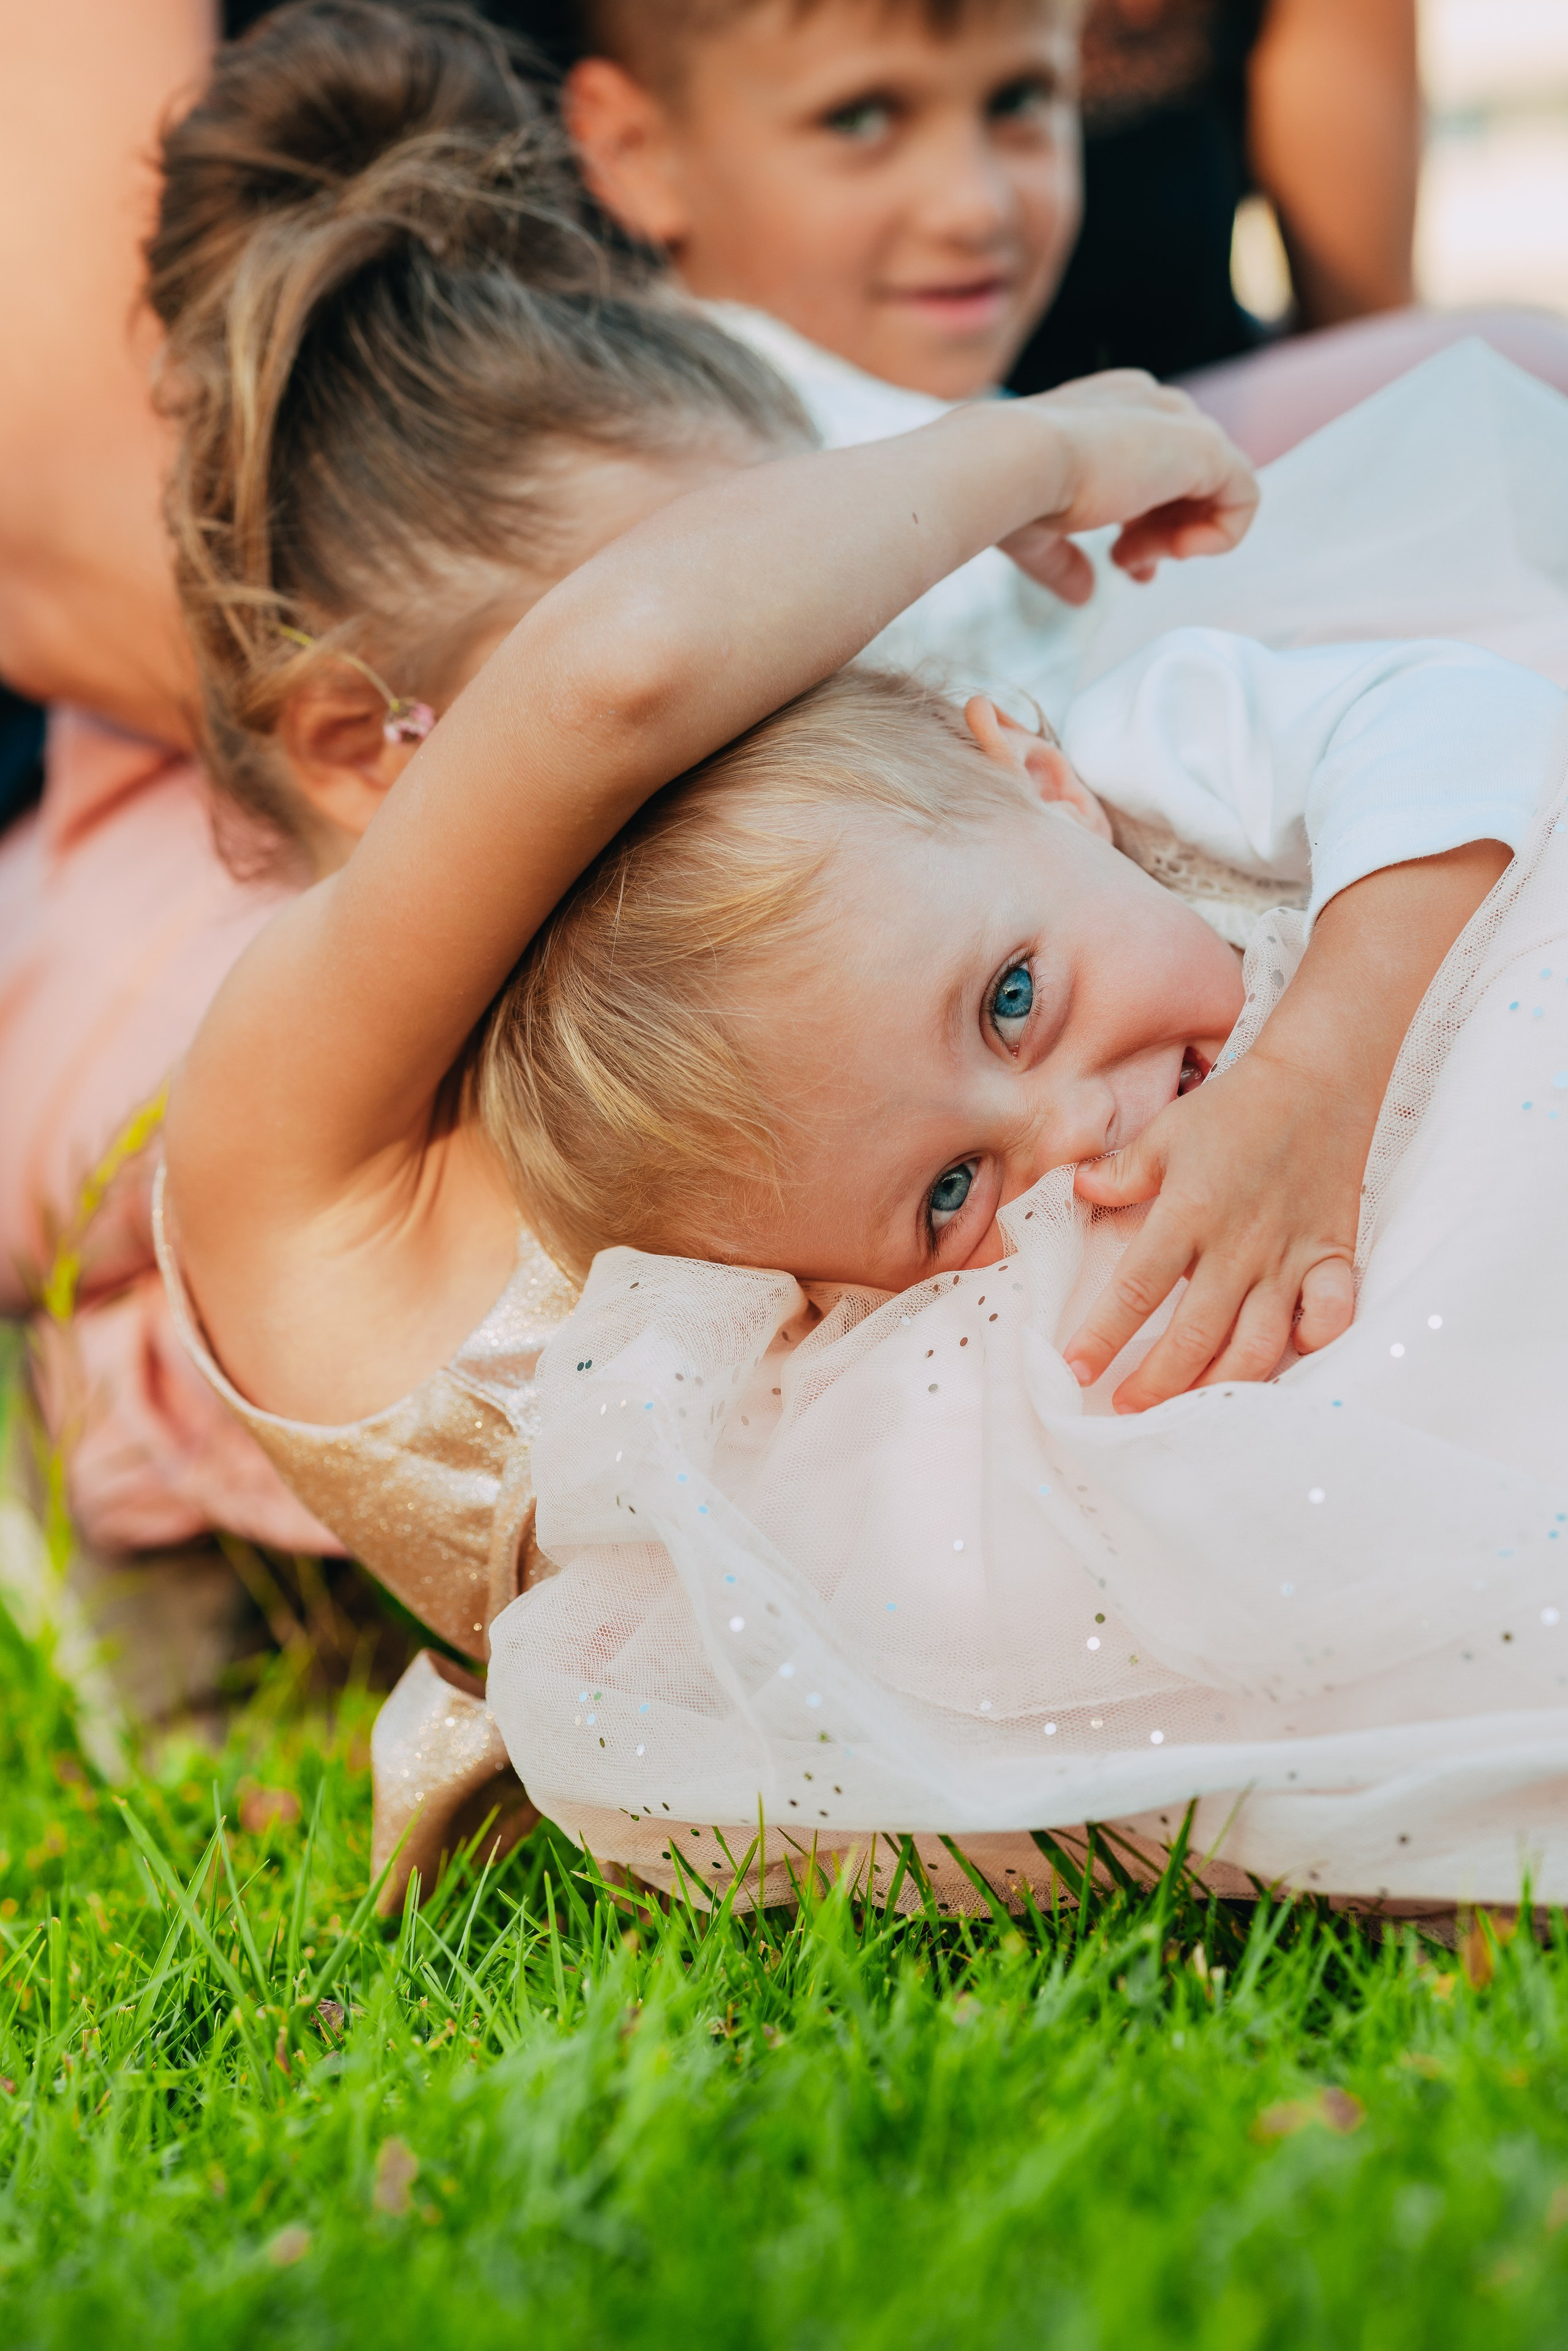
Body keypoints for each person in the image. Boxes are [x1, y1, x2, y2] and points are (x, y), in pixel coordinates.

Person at [155, 252, 1568, 1923]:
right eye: (761, 618)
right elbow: (625, 669)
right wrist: (1031, 455)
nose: (776, 683)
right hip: (988, 1598)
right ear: (366, 741)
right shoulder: (299, 1136)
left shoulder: (938, 916)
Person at [560, 0, 1568, 466]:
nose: (978, 208)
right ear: (635, 151)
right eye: (859, 119)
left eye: (1023, 101)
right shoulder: (667, 473)